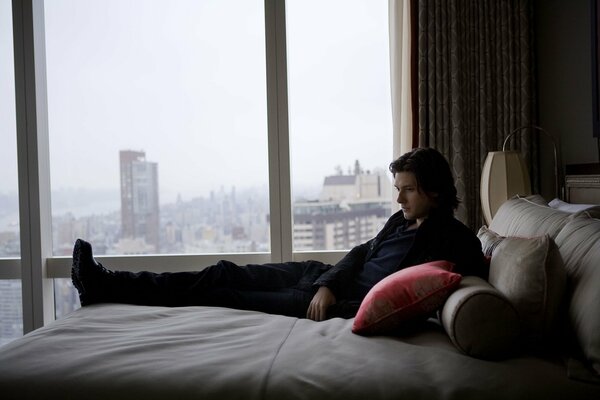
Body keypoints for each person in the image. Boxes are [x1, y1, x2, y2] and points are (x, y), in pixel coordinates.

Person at [72, 147, 486, 321]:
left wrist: (330, 296)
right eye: (398, 190)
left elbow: (473, 272)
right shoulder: (403, 221)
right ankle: (108, 282)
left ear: (433, 189)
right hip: (318, 277)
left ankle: (106, 288)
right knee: (221, 272)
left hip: (326, 299)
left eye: (408, 190)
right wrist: (326, 281)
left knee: (223, 295)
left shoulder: (453, 240)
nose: (400, 200)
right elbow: (361, 252)